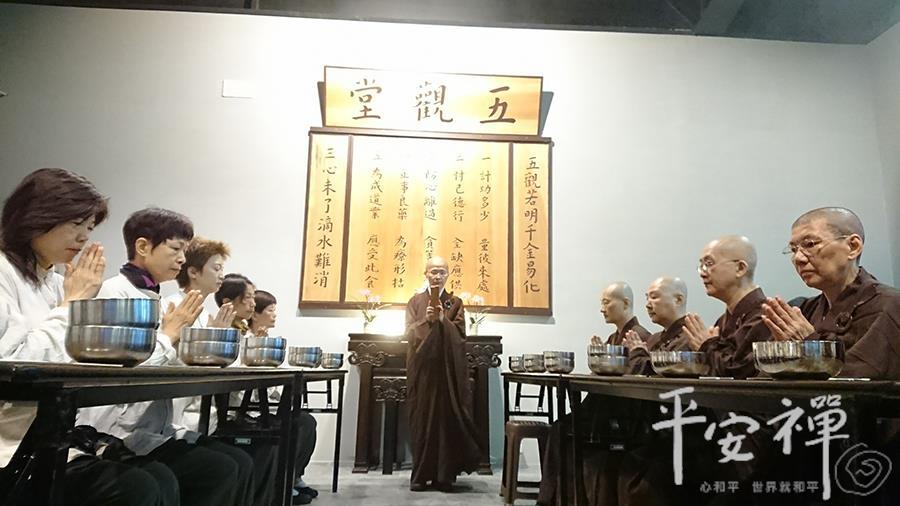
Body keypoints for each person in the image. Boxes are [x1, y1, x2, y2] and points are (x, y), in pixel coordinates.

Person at [0, 168, 178, 505]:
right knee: (136, 488)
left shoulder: (57, 282)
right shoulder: (5, 274)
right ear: (35, 216)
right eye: (76, 223)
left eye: (90, 227)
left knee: (161, 479)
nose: (84, 237)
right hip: (12, 447)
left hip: (57, 437)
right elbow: (16, 366)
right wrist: (73, 305)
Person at [77, 207, 255, 506]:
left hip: (152, 428)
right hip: (116, 432)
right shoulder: (114, 293)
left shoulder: (156, 298)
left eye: (185, 251)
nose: (182, 259)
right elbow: (118, 372)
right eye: (175, 249)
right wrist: (170, 335)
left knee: (230, 465)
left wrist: (202, 343)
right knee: (212, 470)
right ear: (143, 247)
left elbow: (170, 363)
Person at [762, 207, 900, 379]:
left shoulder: (889, 305)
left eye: (810, 244)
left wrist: (809, 345)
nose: (798, 258)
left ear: (853, 246)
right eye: (794, 249)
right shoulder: (804, 310)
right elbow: (764, 378)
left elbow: (861, 381)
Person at [405, 255, 482, 492]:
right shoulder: (415, 302)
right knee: (422, 422)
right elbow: (408, 333)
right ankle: (420, 475)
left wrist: (441, 320)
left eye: (441, 272)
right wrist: (426, 321)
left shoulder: (455, 303)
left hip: (448, 374)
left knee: (446, 423)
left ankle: (444, 476)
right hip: (424, 372)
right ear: (425, 274)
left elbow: (460, 336)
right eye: (433, 271)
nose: (437, 276)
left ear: (448, 275)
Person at [247, 290, 319, 504]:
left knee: (306, 421)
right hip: (251, 409)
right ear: (255, 313)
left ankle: (293, 477)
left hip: (270, 404)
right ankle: (281, 483)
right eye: (270, 310)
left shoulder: (267, 340)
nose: (275, 315)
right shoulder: (245, 339)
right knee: (296, 423)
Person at [682, 235, 771, 379]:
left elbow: (739, 375)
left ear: (740, 268)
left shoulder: (765, 318)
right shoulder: (722, 321)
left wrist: (707, 345)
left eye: (709, 264)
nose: (702, 273)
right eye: (701, 266)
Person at [623, 277, 690, 376]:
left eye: (654, 297)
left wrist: (638, 353)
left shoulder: (689, 339)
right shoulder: (654, 339)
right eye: (647, 298)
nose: (647, 305)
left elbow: (662, 377)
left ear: (678, 300)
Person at [591, 282, 651, 346]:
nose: (602, 310)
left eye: (606, 303)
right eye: (602, 304)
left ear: (626, 303)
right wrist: (601, 351)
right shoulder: (612, 339)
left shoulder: (640, 336)